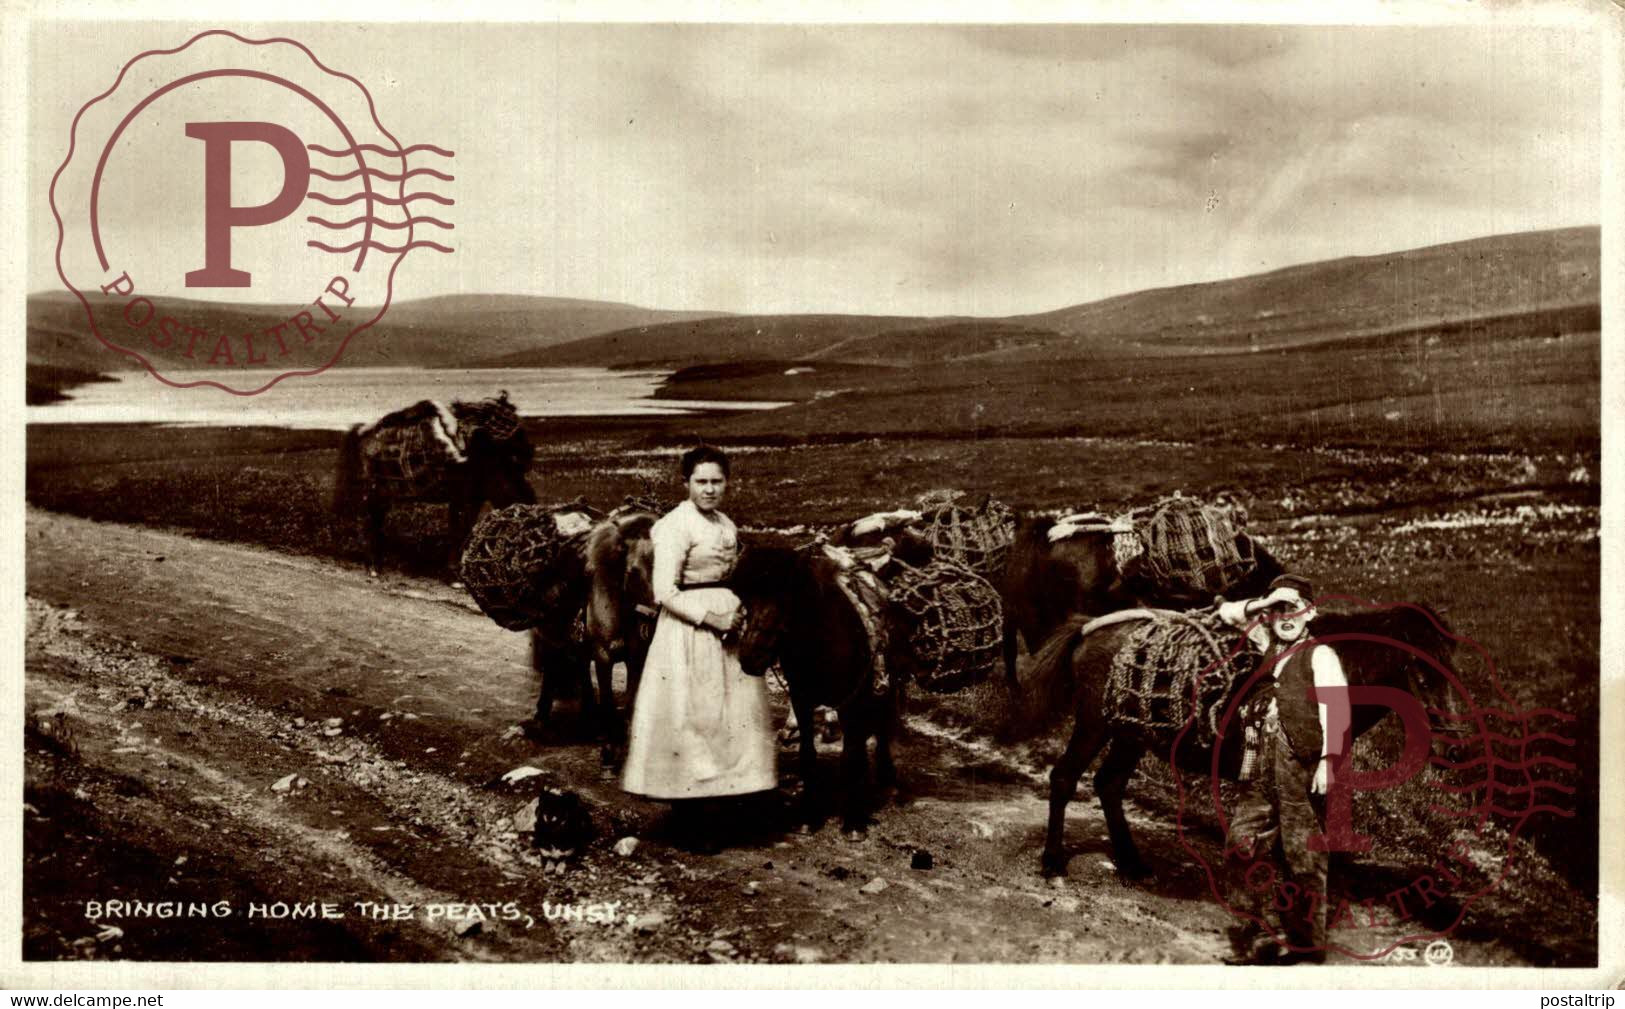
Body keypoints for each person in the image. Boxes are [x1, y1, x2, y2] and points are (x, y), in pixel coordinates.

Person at [620, 445, 777, 852]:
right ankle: (690, 817)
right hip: (689, 630)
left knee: (731, 716)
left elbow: (730, 574)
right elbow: (664, 591)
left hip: (728, 625)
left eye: (717, 481)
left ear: (727, 483)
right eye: (701, 481)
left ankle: (727, 805)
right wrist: (713, 618)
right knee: (694, 717)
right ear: (686, 483)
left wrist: (738, 611)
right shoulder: (675, 525)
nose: (709, 489)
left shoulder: (726, 523)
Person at [1217, 573, 1349, 965]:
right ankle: (1258, 935)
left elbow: (1336, 712)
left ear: (1311, 614)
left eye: (1294, 609)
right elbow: (1227, 615)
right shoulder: (1266, 641)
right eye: (1279, 611)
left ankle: (1307, 943)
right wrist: (1264, 603)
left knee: (1302, 854)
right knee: (1241, 844)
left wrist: (1328, 762)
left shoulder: (1320, 655)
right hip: (1259, 766)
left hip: (1299, 768)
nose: (1285, 617)